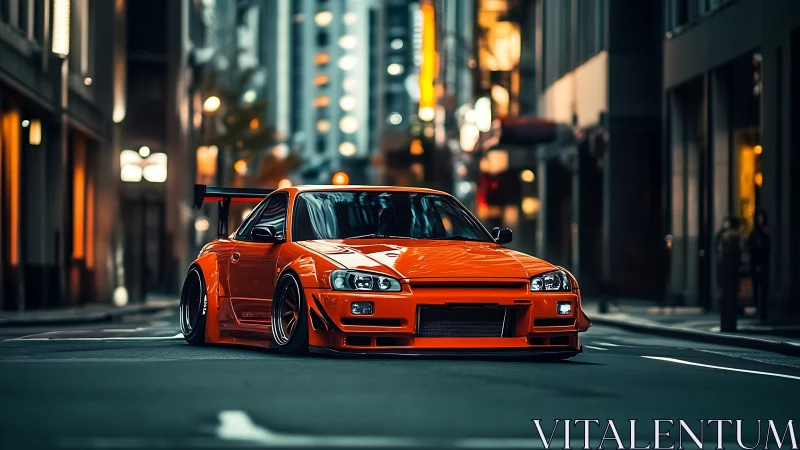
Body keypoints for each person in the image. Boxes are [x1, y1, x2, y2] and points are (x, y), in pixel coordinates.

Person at [747, 209, 771, 322]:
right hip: (756, 264)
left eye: (762, 218)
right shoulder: (754, 233)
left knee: (764, 287)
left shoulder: (766, 232)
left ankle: (763, 310)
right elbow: (751, 248)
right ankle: (757, 308)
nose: (760, 220)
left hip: (764, 264)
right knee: (756, 287)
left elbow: (768, 248)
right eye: (758, 218)